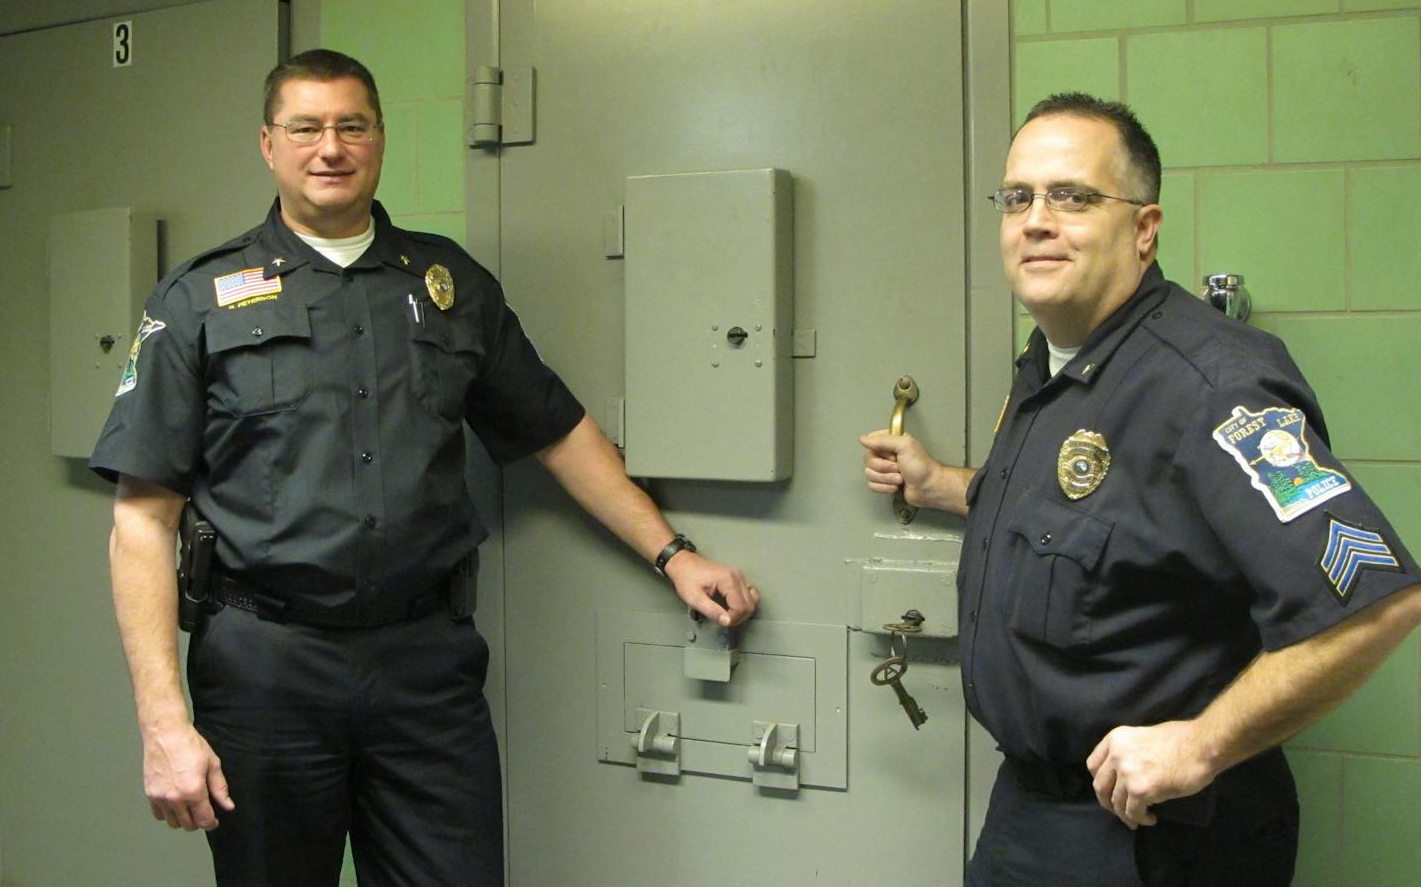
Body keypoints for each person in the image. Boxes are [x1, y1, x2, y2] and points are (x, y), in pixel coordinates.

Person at [90, 48, 760, 887]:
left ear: (378, 139)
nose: (329, 147)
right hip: (266, 671)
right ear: (269, 144)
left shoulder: (448, 286)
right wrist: (163, 722)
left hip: (424, 671)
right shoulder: (199, 300)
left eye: (351, 126)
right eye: (305, 128)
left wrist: (674, 552)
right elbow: (140, 520)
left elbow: (556, 431)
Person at [860, 92, 1421, 885]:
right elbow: (1095, 515)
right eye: (1018, 196)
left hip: (1157, 842)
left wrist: (1199, 743)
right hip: (1030, 814)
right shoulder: (1055, 359)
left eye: (1074, 196)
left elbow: (1378, 596)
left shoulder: (1210, 385)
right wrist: (945, 485)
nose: (1037, 219)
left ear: (1144, 228)